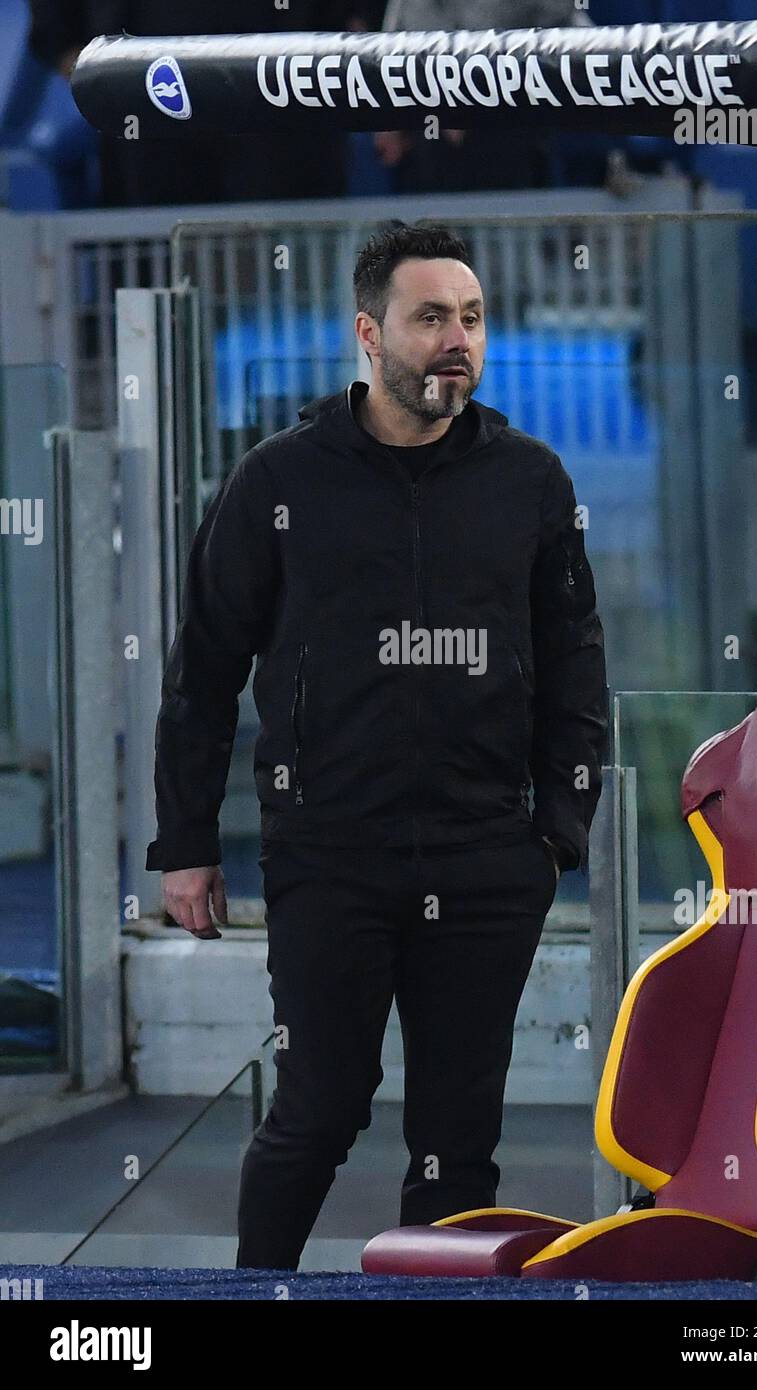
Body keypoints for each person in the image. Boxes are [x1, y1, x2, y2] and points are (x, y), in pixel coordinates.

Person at [144, 220, 609, 1270]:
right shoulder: (277, 483)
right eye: (431, 317)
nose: (458, 340)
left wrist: (554, 835)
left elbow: (575, 667)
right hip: (329, 852)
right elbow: (203, 669)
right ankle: (254, 1295)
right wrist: (184, 842)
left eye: (472, 318)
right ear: (369, 332)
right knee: (318, 1105)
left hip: (487, 856)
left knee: (456, 1140)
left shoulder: (529, 480)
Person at [27, 1, 377, 205]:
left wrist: (363, 20)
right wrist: (68, 51)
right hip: (140, 86)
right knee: (156, 257)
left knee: (281, 253)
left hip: (286, 77)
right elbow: (57, 35)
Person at [375, 0, 594, 193]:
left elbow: (571, 31)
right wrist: (387, 120)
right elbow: (391, 46)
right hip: (431, 125)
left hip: (506, 119)